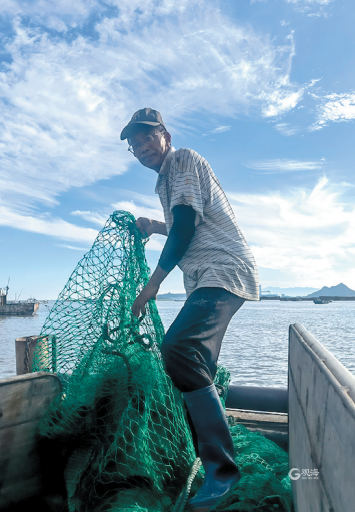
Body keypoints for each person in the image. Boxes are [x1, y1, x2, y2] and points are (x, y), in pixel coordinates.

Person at [120, 108, 259, 512]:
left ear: (164, 135)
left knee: (178, 349)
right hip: (209, 276)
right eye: (134, 144)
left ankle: (222, 469)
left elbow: (184, 226)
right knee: (195, 361)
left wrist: (152, 285)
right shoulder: (167, 179)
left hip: (223, 270)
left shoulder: (181, 160)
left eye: (147, 137)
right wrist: (154, 223)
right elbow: (187, 222)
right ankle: (204, 454)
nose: (142, 147)